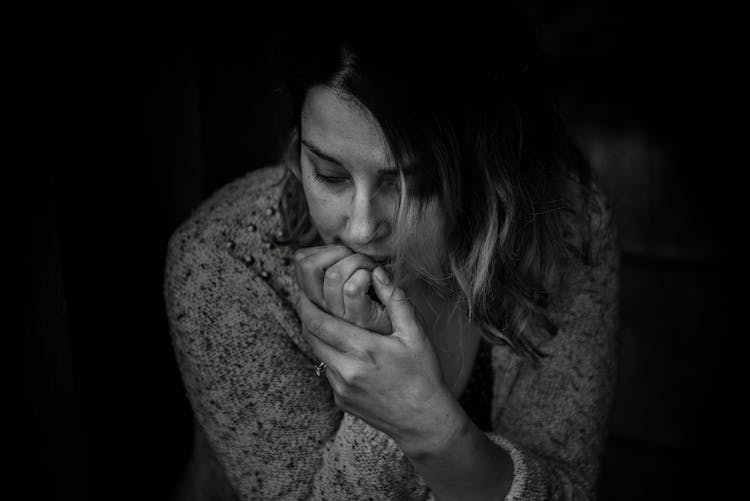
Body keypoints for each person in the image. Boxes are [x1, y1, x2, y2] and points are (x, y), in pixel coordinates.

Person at [164, 3, 619, 500]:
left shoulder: (562, 224)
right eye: (330, 175)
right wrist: (380, 416)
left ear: (491, 175)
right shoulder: (226, 262)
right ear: (296, 150)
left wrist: (428, 427)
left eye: (412, 184)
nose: (360, 227)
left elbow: (571, 490)